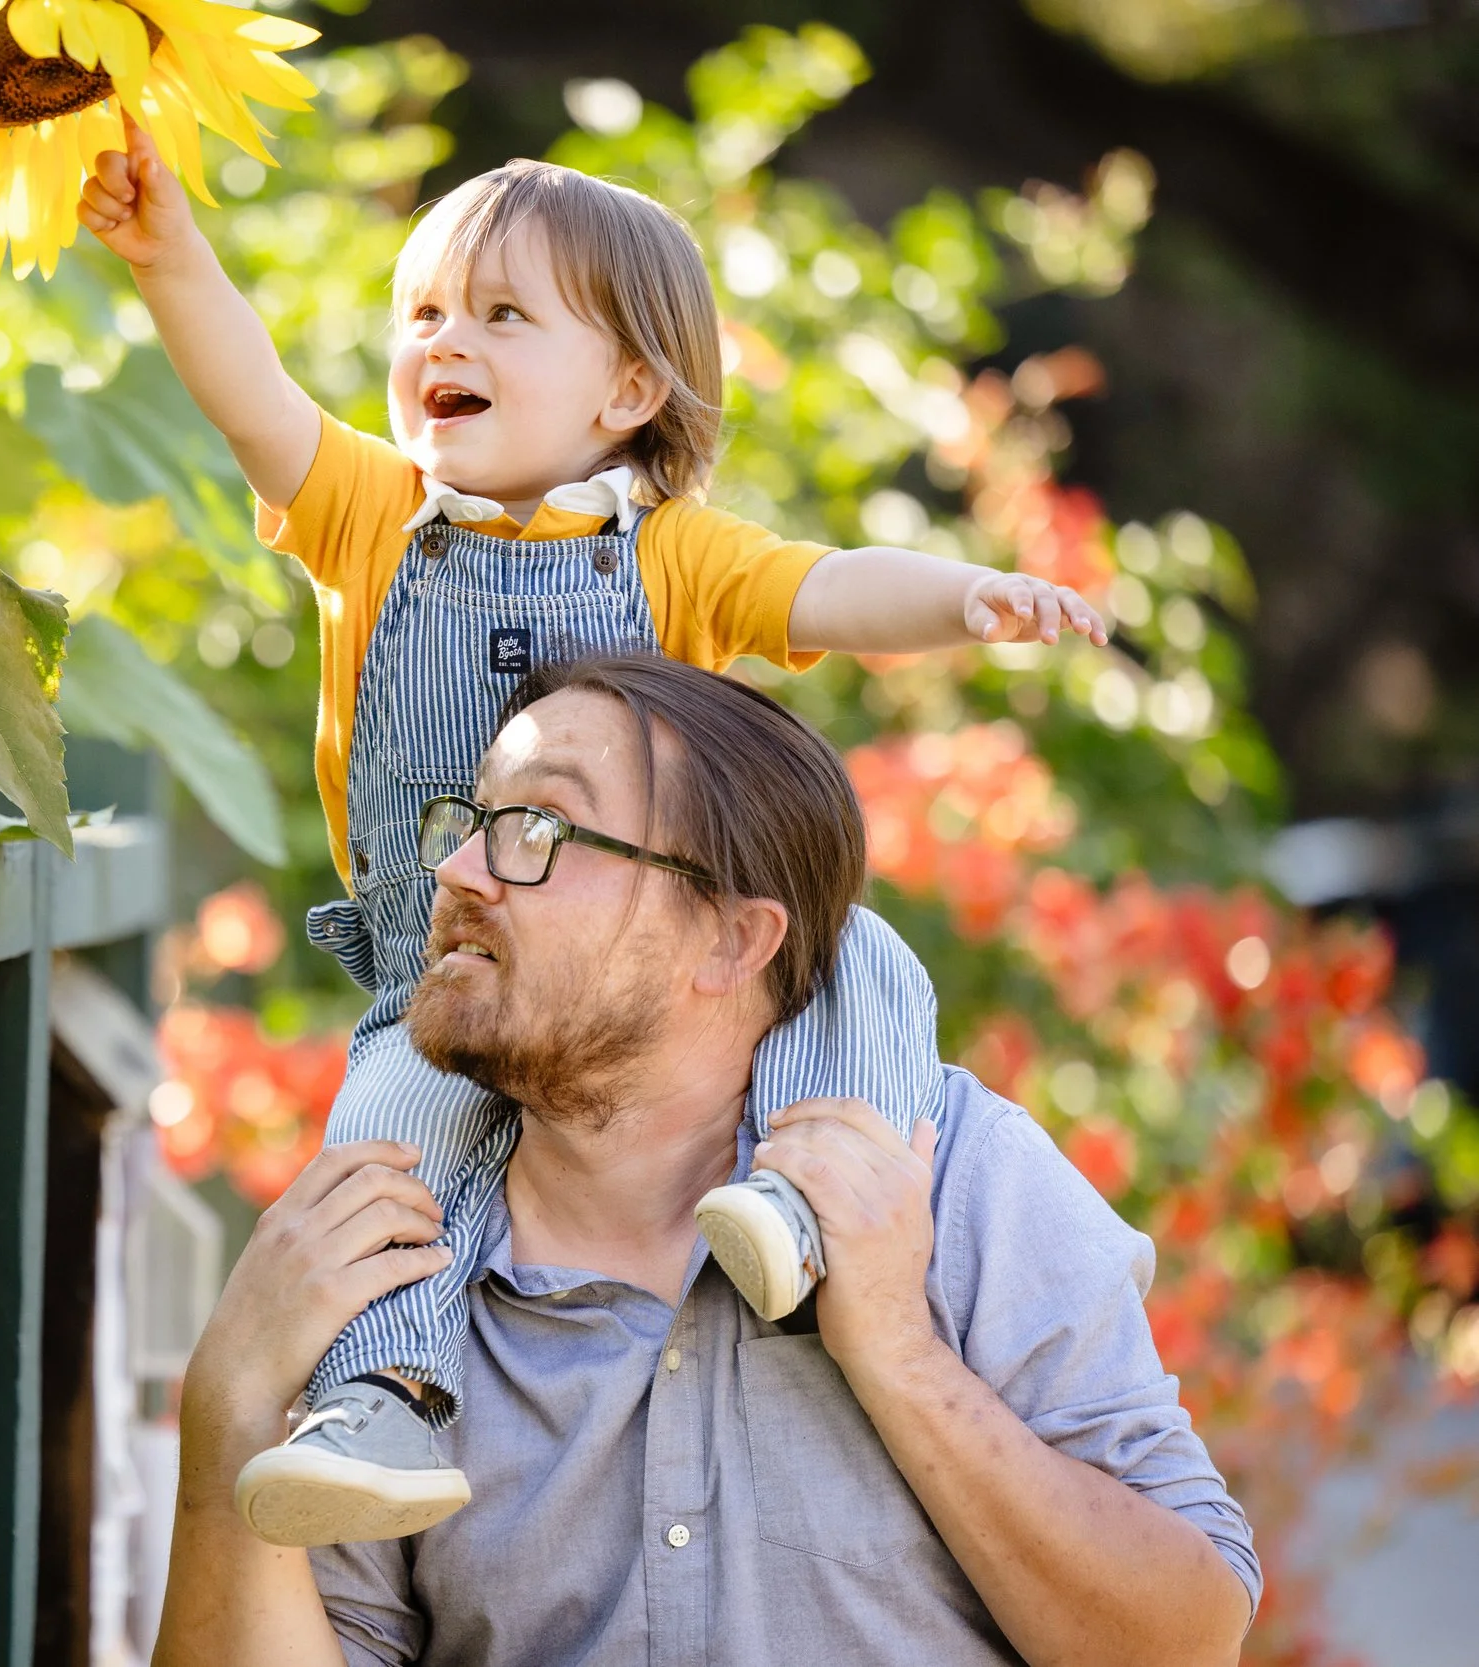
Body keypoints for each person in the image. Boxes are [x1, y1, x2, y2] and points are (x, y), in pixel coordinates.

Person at [79, 139, 1110, 1546]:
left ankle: (802, 1206)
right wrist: (165, 257)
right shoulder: (374, 516)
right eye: (425, 312)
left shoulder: (676, 553)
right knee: (389, 1150)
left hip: (639, 952)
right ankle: (382, 1399)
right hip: (438, 974)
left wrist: (970, 595)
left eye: (504, 314)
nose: (446, 339)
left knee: (859, 964)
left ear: (630, 389)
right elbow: (252, 397)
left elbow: (832, 588)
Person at [154, 653, 1260, 1666]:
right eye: (471, 819)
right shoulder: (388, 1272)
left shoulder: (953, 1177)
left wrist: (899, 1354)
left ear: (733, 938)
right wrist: (229, 1417)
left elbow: (1185, 1637)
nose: (459, 871)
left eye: (537, 829)